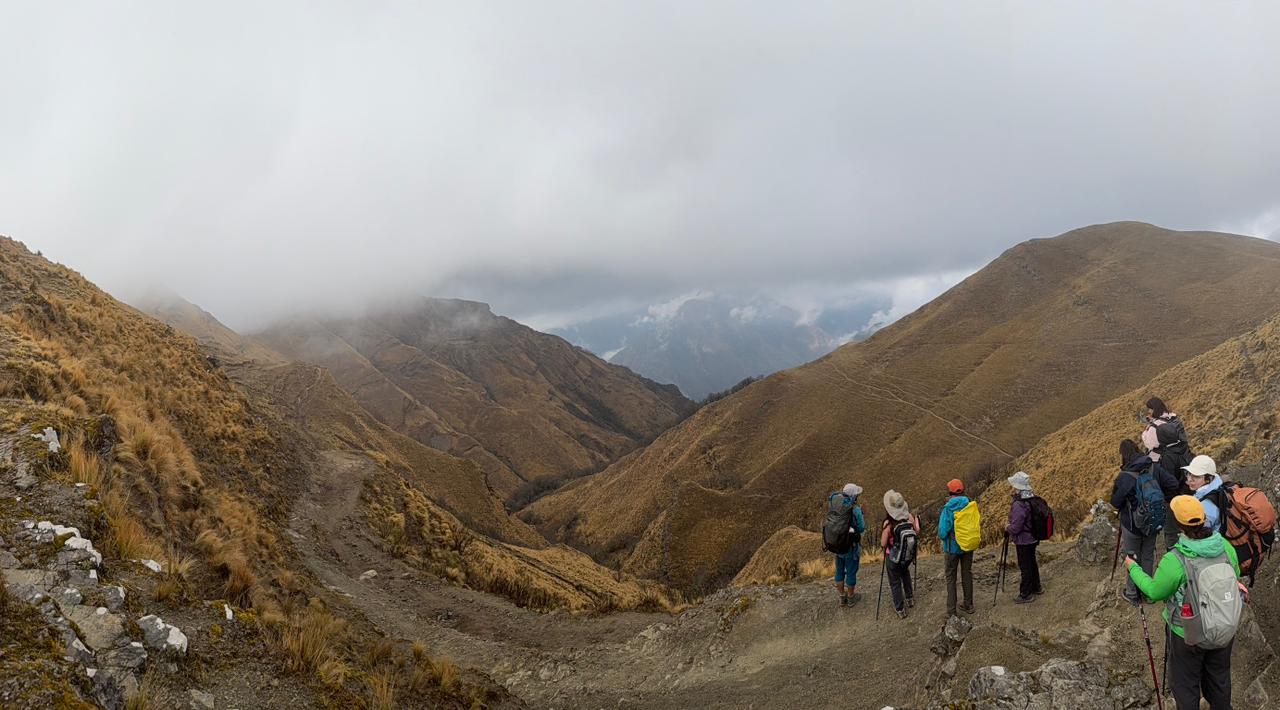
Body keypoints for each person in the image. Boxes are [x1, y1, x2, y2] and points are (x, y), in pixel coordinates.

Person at [1126, 495, 1243, 710]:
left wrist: (1133, 568)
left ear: (1178, 523)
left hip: (1187, 633)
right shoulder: (1225, 547)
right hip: (1224, 625)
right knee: (1219, 680)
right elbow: (1234, 575)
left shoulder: (1175, 559)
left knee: (1185, 685)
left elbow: (1155, 591)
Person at [1111, 439, 1180, 604]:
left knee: (1132, 557)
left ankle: (1132, 593)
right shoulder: (1154, 467)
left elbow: (1115, 502)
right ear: (1138, 450)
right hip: (1153, 522)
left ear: (1123, 455)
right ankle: (1148, 593)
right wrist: (1160, 499)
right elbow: (1173, 483)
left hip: (1132, 525)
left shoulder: (1125, 476)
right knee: (1148, 555)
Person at [1142, 396, 1192, 552]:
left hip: (1164, 467)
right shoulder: (1173, 419)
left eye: (1149, 409)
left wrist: (1148, 428)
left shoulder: (1154, 428)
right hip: (1181, 463)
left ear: (1154, 409)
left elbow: (1149, 444)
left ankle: (1172, 548)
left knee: (1168, 504)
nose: (1148, 412)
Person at [938, 479, 976, 617]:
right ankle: (968, 604)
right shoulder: (969, 504)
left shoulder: (948, 509)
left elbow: (942, 533)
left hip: (952, 548)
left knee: (951, 578)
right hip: (967, 545)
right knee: (967, 573)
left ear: (950, 492)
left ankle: (952, 611)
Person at [880, 489, 920, 619]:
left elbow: (883, 543)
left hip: (892, 558)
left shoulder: (889, 524)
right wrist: (916, 520)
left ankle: (900, 609)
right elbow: (917, 531)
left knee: (895, 582)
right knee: (905, 574)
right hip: (906, 556)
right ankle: (910, 598)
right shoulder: (909, 518)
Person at [1004, 471, 1043, 603]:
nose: (1011, 488)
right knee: (1032, 562)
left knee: (1025, 566)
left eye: (1013, 485)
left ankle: (1025, 594)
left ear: (1017, 487)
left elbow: (1016, 528)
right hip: (1033, 536)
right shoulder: (1031, 498)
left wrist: (1007, 527)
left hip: (1023, 540)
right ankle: (1036, 587)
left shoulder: (1019, 504)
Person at [827, 483, 866, 607]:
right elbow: (861, 528)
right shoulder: (855, 509)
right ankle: (850, 598)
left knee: (839, 571)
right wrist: (862, 514)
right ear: (854, 496)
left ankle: (841, 597)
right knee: (851, 571)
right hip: (850, 547)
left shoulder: (834, 505)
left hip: (837, 545)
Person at [1183, 455, 1225, 532]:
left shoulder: (1207, 505)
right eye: (1188, 473)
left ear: (1208, 479)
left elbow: (1200, 533)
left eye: (1196, 476)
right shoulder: (1217, 487)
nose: (1189, 479)